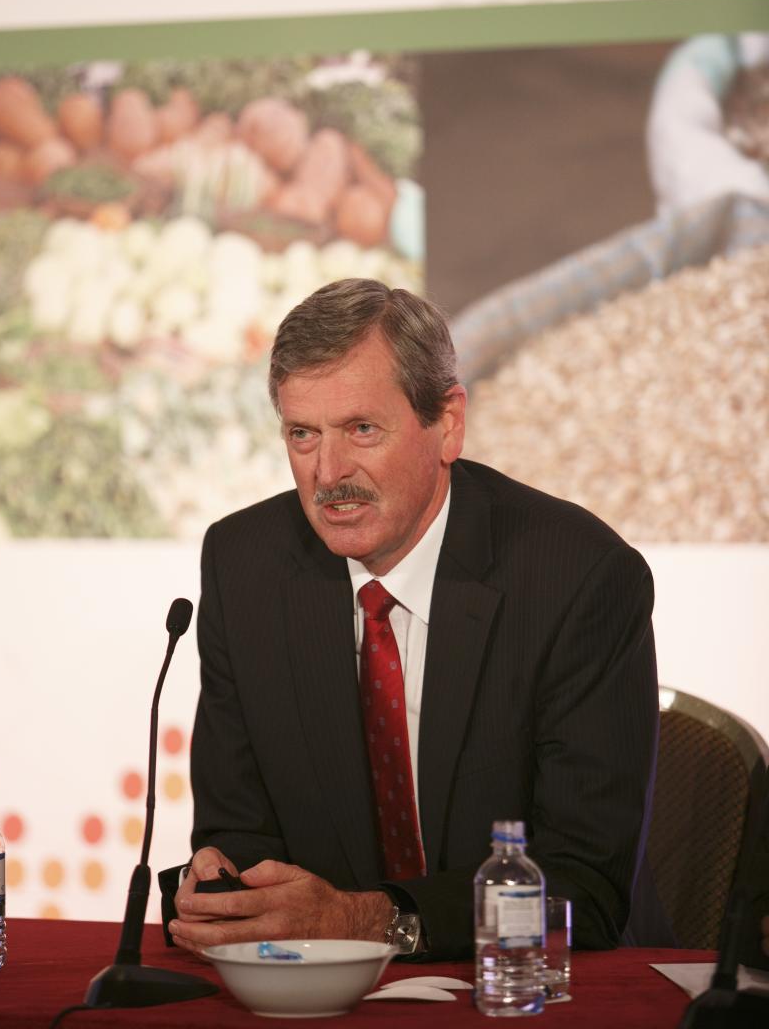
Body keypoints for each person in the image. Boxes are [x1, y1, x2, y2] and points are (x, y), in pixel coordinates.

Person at [160, 278, 660, 960]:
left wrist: (373, 922)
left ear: (447, 424)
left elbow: (583, 887)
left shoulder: (577, 579)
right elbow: (237, 830)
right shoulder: (244, 566)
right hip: (316, 994)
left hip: (530, 988)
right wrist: (230, 886)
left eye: (361, 429)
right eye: (302, 434)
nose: (328, 472)